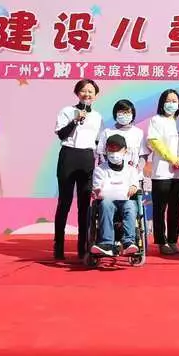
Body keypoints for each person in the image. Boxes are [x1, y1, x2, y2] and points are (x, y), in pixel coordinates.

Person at [53, 79, 103, 261]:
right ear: (77, 93)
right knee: (64, 203)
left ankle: (83, 247)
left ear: (95, 95)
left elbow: (98, 141)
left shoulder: (97, 116)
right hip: (68, 156)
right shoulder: (67, 111)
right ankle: (58, 245)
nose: (87, 94)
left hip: (87, 158)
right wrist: (75, 119)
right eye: (83, 90)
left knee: (84, 206)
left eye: (91, 91)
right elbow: (61, 134)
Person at [147, 89, 179, 255]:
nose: (171, 104)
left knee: (175, 208)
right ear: (162, 103)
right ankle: (161, 241)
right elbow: (154, 142)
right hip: (162, 171)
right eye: (168, 101)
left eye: (174, 101)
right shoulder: (156, 120)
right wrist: (171, 158)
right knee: (160, 208)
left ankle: (173, 240)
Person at [90, 134, 141, 257]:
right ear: (106, 150)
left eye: (117, 149)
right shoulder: (100, 170)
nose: (114, 153)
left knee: (131, 205)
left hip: (125, 202)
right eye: (111, 149)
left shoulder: (131, 170)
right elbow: (97, 189)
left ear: (125, 151)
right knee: (106, 204)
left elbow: (135, 186)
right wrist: (97, 192)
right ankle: (107, 244)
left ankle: (129, 242)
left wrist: (133, 188)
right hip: (108, 203)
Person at [96, 99, 148, 168]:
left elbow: (143, 154)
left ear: (133, 114)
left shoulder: (139, 133)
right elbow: (102, 154)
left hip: (133, 173)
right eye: (121, 112)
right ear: (115, 113)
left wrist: (138, 169)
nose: (124, 115)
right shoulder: (107, 132)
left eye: (127, 112)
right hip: (111, 173)